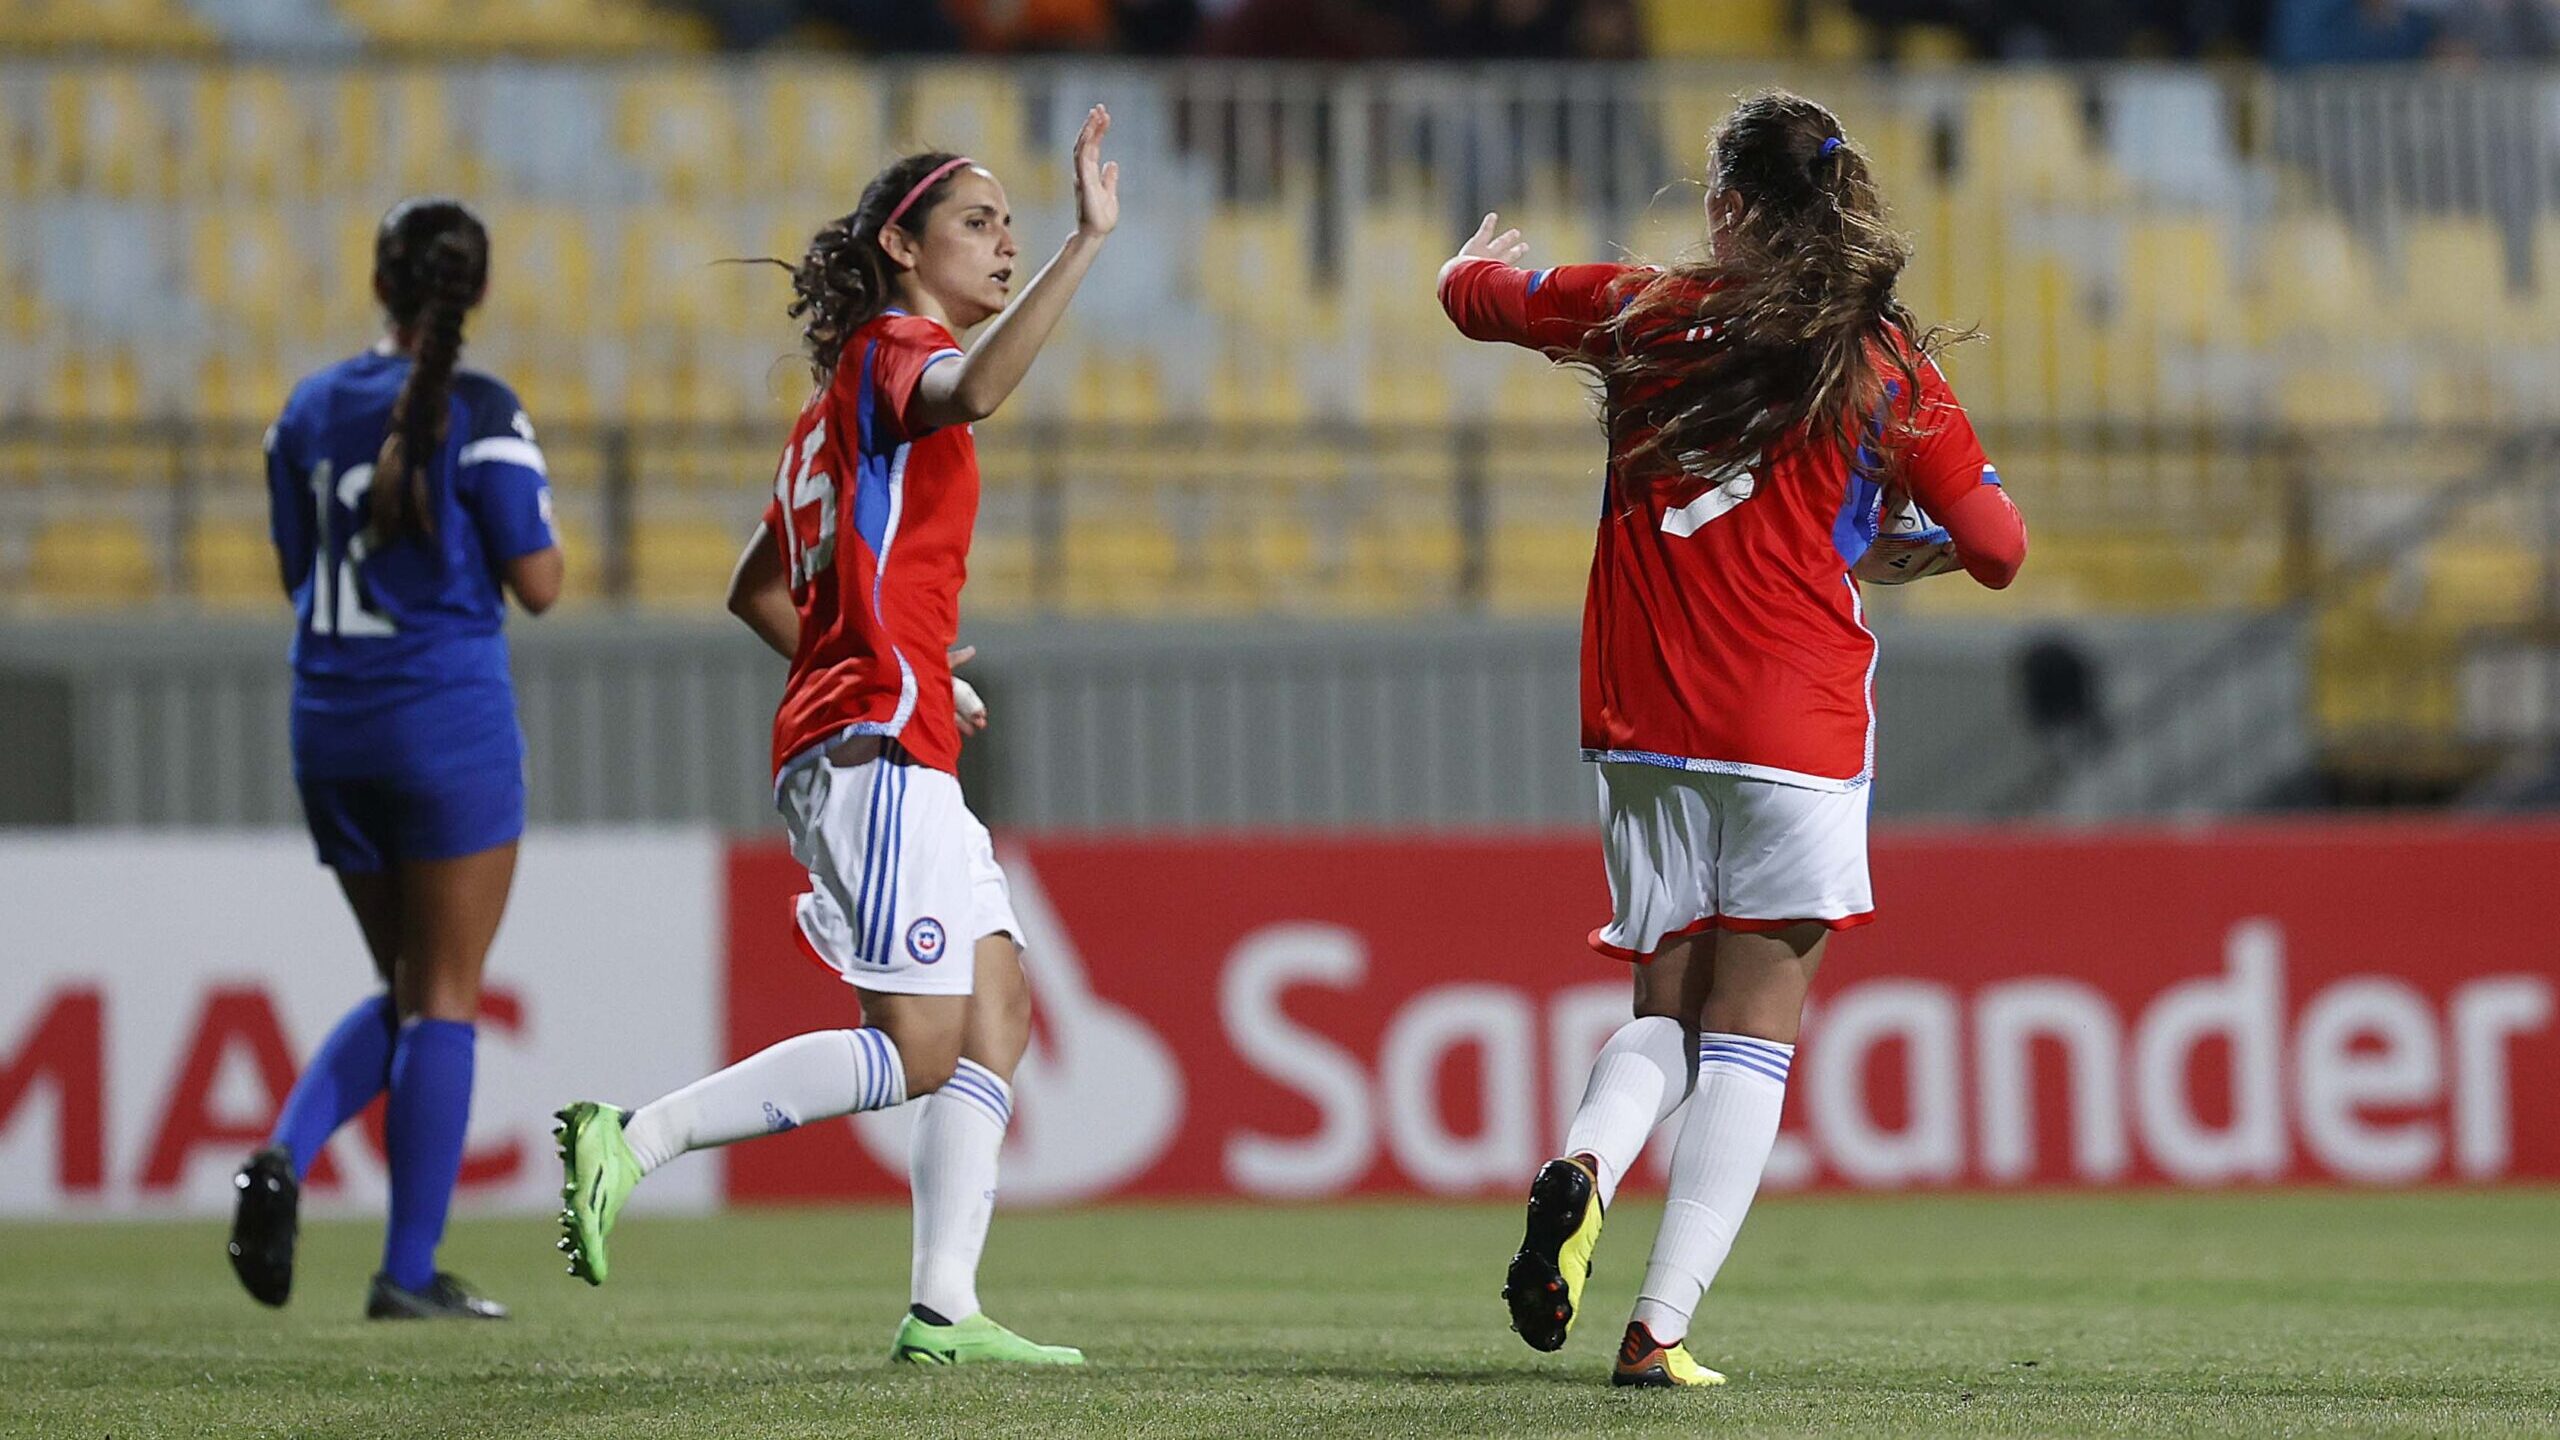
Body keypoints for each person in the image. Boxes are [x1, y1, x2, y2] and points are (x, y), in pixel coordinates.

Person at [1438, 90, 2028, 1387]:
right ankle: (1659, 1332)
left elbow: (1476, 297)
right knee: (1753, 1033)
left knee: (1664, 1002)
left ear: (1724, 207)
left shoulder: (1639, 310)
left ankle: (1585, 1164)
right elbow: (1998, 547)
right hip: (1794, 724)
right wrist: (1880, 541)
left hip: (1639, 722)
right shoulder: (1876, 360)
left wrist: (1470, 261)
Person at [553, 106, 1120, 1368]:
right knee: (920, 1044)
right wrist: (1090, 244)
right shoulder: (896, 349)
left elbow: (758, 588)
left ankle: (943, 1310)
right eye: (978, 222)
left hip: (881, 720)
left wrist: (892, 653)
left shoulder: (831, 406)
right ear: (903, 246)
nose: (1005, 242)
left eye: (1015, 227)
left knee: (997, 1014)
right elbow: (976, 389)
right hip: (872, 744)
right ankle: (634, 1136)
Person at [231, 197, 563, 1321]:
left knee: (409, 985)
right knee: (446, 997)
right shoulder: (480, 408)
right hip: (443, 719)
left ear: (380, 283)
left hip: (328, 721)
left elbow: (293, 570)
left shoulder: (309, 407)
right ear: (474, 294)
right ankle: (407, 1273)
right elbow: (540, 581)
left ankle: (280, 1153)